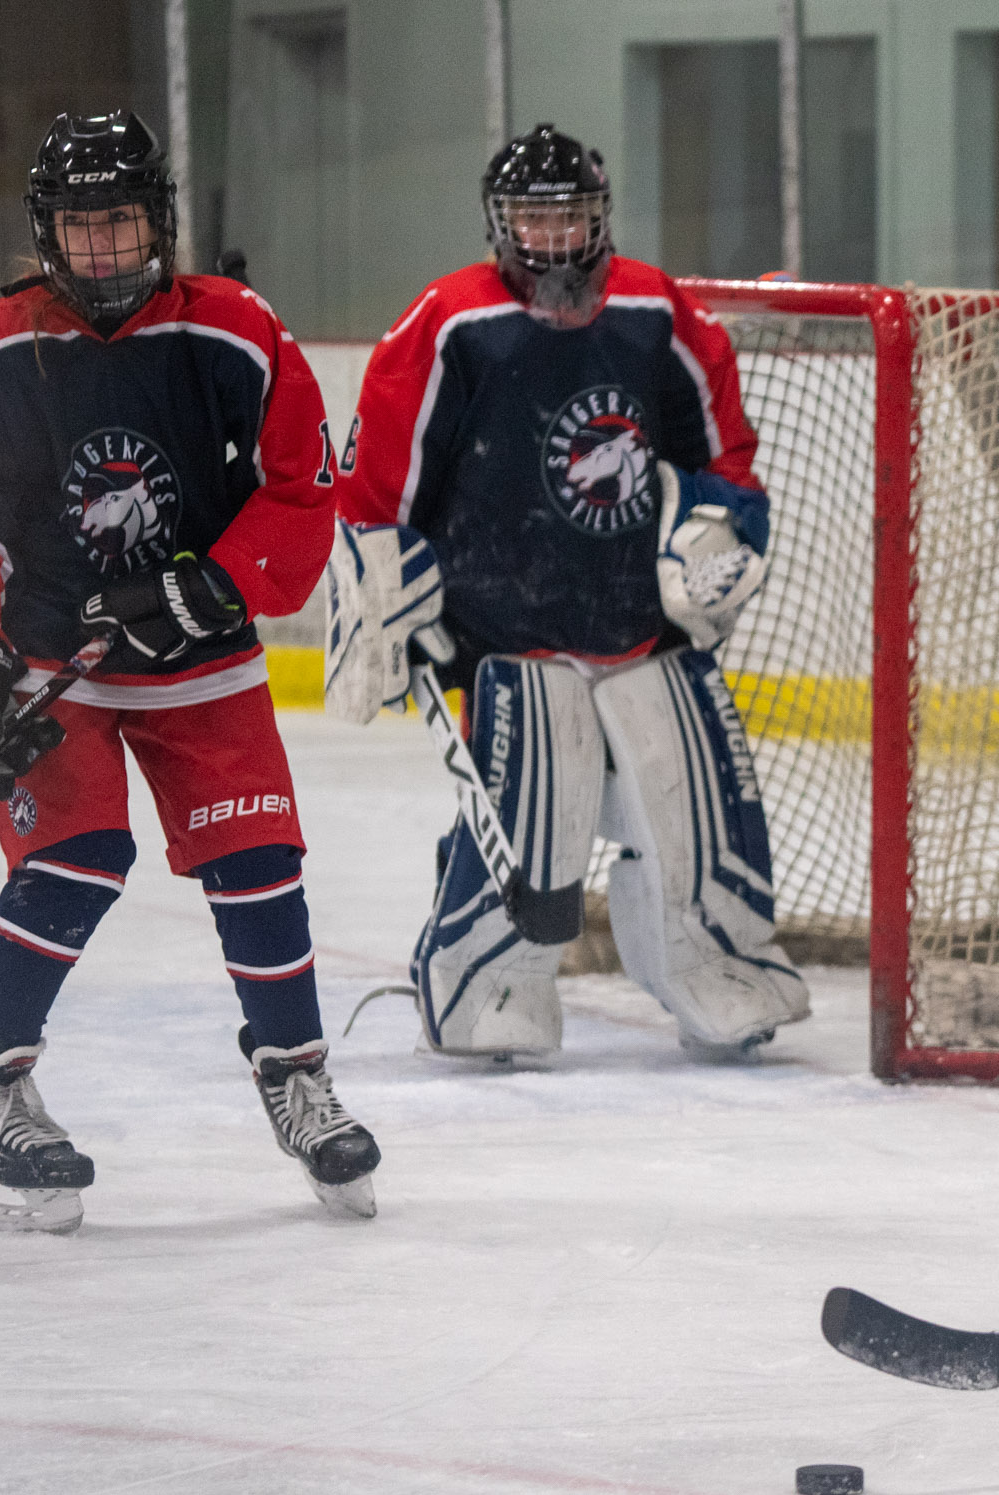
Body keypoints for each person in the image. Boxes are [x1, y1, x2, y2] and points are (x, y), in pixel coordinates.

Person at [0, 111, 380, 1233]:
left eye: (119, 221)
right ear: (46, 234)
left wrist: (212, 584)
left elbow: (302, 489)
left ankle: (296, 1074)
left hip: (200, 660)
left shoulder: (237, 330)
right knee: (73, 860)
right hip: (49, 658)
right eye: (80, 226)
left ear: (158, 221)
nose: (102, 247)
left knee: (257, 858)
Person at [330, 122, 809, 1063]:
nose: (553, 239)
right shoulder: (449, 322)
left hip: (640, 621)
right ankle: (484, 982)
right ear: (499, 224)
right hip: (504, 631)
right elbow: (379, 483)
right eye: (532, 220)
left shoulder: (655, 310)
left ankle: (719, 964)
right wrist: (375, 591)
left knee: (689, 797)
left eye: (571, 217)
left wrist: (723, 525)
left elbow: (722, 453)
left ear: (601, 217)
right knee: (538, 809)